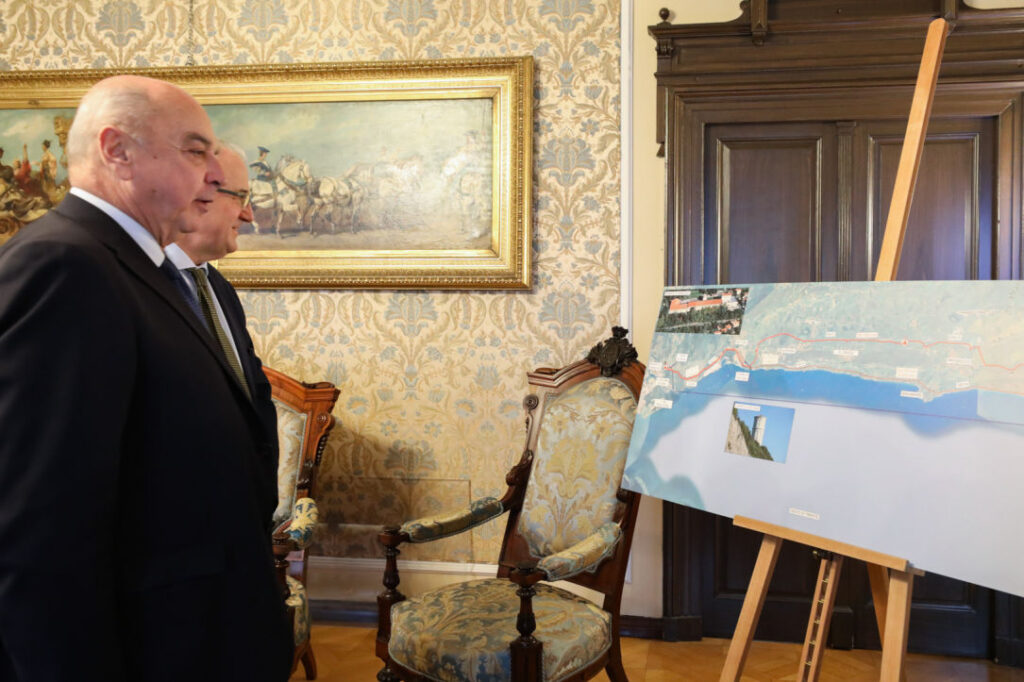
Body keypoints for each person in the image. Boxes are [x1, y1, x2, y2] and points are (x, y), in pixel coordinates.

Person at [0, 75, 292, 681]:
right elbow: (39, 527)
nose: (212, 175)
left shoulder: (144, 267)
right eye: (195, 150)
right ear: (118, 151)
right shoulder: (64, 264)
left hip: (200, 626)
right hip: (149, 644)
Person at [165, 143, 280, 523]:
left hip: (240, 517)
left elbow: (255, 397)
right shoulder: (139, 286)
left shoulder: (218, 287)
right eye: (241, 198)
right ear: (197, 196)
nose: (249, 214)